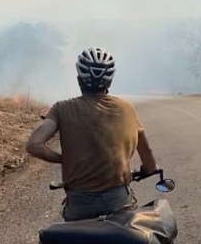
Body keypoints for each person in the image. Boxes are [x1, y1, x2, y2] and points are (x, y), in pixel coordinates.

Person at [26, 47, 158, 221]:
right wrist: (150, 169)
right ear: (109, 82)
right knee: (128, 238)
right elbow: (147, 155)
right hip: (117, 200)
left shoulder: (62, 108)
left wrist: (63, 158)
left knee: (73, 243)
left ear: (79, 79)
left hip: (79, 203)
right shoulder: (127, 109)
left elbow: (34, 145)